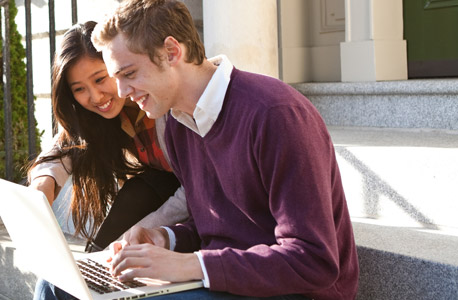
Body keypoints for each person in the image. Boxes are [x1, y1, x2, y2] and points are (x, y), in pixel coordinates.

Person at [35, 0, 359, 299]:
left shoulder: (275, 114)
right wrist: (163, 238)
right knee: (56, 285)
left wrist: (191, 265)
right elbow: (217, 226)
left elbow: (314, 260)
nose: (120, 92)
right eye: (116, 77)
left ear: (172, 52)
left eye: (129, 74)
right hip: (221, 279)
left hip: (291, 292)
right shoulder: (177, 121)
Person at [27, 21, 188, 251]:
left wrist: (135, 236)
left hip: (200, 215)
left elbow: (194, 193)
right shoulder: (107, 117)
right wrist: (44, 182)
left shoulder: (167, 108)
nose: (96, 96)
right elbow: (66, 144)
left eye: (100, 79)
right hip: (156, 202)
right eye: (79, 89)